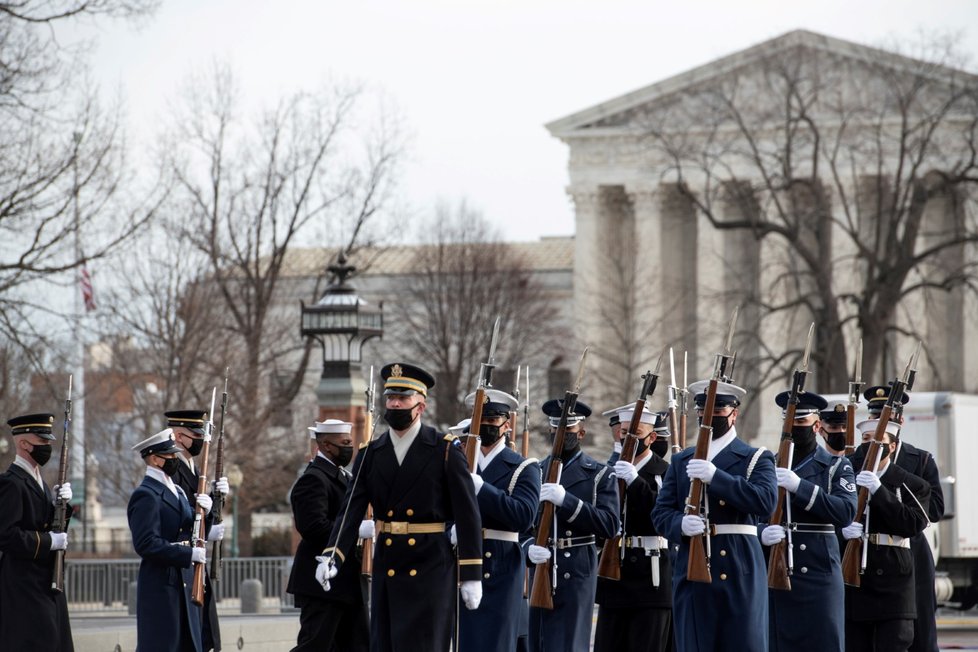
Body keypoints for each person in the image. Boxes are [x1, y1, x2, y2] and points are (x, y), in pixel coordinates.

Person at [318, 362, 483, 652]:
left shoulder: (444, 449)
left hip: (430, 565)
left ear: (420, 405)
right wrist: (333, 555)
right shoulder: (371, 453)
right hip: (389, 563)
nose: (394, 404)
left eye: (403, 398)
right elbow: (351, 509)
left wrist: (471, 574)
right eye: (390, 398)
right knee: (387, 644)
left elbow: (468, 514)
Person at [651, 380, 778, 652]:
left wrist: (716, 477)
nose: (708, 417)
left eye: (718, 411)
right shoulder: (682, 460)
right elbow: (661, 513)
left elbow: (765, 502)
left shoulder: (755, 457)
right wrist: (680, 525)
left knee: (742, 644)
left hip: (739, 565)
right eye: (703, 411)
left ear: (734, 413)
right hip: (694, 569)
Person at [760, 391, 857, 651]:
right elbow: (750, 512)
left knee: (823, 641)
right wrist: (761, 533)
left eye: (800, 423)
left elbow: (845, 511)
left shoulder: (837, 466)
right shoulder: (768, 463)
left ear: (816, 426)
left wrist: (799, 486)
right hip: (778, 569)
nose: (793, 429)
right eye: (789, 423)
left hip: (819, 574)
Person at [852, 386, 945, 652]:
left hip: (909, 548)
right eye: (875, 415)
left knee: (919, 627)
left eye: (887, 418)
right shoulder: (857, 458)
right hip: (867, 548)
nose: (881, 423)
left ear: (900, 421)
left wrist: (892, 480)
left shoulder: (920, 459)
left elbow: (934, 510)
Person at [524, 398, 619, 652]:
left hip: (575, 569)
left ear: (581, 433)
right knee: (539, 643)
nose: (561, 435)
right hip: (541, 567)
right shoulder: (534, 471)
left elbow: (610, 525)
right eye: (556, 430)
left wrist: (567, 501)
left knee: (569, 644)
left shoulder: (600, 474)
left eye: (568, 430)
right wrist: (527, 548)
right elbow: (522, 523)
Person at [456, 389, 541, 652]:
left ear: (506, 425)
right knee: (463, 642)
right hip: (461, 561)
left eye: (492, 422)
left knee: (496, 643)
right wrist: (450, 529)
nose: (485, 428)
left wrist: (483, 488)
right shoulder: (458, 463)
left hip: (501, 564)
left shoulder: (524, 467)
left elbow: (524, 516)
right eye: (480, 421)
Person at [842, 419, 931, 652]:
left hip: (894, 580)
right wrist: (842, 530)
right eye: (865, 440)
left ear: (892, 446)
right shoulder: (847, 473)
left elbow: (913, 523)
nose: (870, 445)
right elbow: (832, 511)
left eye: (878, 441)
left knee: (894, 644)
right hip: (857, 578)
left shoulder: (910, 483)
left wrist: (879, 491)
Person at [594, 404, 673, 652]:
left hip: (651, 576)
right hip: (614, 572)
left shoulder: (664, 472)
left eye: (635, 433)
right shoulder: (609, 472)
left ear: (652, 437)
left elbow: (661, 516)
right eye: (624, 431)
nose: (628, 438)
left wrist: (635, 482)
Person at [287, 419, 369, 652]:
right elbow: (313, 527)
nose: (349, 447)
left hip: (346, 581)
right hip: (322, 583)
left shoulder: (343, 476)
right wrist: (355, 531)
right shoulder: (314, 479)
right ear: (326, 445)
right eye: (344, 443)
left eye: (350, 442)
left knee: (359, 646)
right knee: (315, 646)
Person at [128, 428, 210, 652]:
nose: (175, 460)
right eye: (171, 456)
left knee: (189, 644)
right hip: (162, 583)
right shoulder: (146, 494)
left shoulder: (178, 492)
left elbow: (192, 531)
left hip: (184, 579)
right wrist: (187, 554)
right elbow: (146, 543)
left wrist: (208, 512)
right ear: (155, 459)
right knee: (163, 644)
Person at [0, 413, 74, 652]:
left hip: (45, 581)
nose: (47, 447)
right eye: (42, 442)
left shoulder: (38, 481)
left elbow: (47, 525)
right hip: (24, 584)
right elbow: (6, 535)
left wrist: (61, 507)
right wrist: (48, 542)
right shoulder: (12, 482)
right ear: (23, 443)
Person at [164, 409, 230, 652]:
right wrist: (206, 532)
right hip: (183, 567)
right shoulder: (172, 471)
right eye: (196, 435)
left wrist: (216, 496)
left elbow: (200, 511)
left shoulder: (192, 469)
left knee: (205, 636)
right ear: (179, 436)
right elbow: (180, 519)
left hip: (195, 565)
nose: (201, 440)